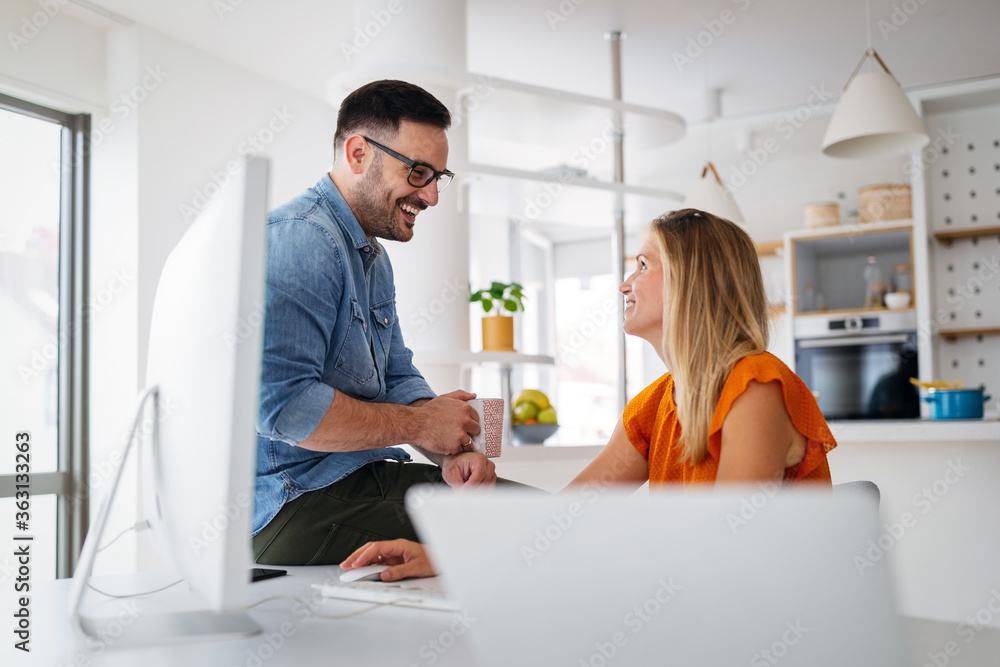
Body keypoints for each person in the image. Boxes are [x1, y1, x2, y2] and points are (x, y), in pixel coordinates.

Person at [341, 208, 837, 581]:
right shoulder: (656, 404)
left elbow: (725, 546)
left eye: (643, 264)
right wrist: (448, 557)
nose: (626, 282)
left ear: (693, 278)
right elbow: (567, 519)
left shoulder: (754, 385)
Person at [253, 80, 505, 566]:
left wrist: (449, 451)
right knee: (534, 530)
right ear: (357, 153)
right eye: (417, 172)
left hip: (345, 483)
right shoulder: (303, 240)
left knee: (524, 520)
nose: (431, 196)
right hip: (292, 503)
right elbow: (284, 409)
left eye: (438, 176)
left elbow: (395, 375)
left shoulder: (372, 258)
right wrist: (422, 423)